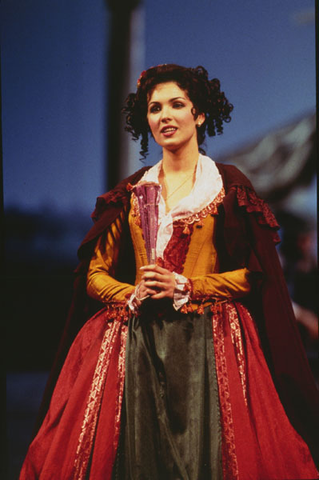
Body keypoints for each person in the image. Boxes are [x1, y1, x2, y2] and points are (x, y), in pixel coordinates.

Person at [20, 64, 319, 479]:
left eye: (176, 104)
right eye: (155, 107)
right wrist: (130, 292)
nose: (164, 115)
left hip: (210, 342)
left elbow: (254, 275)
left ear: (198, 114)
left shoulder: (227, 186)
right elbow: (94, 273)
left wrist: (187, 284)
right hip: (133, 340)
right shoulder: (129, 193)